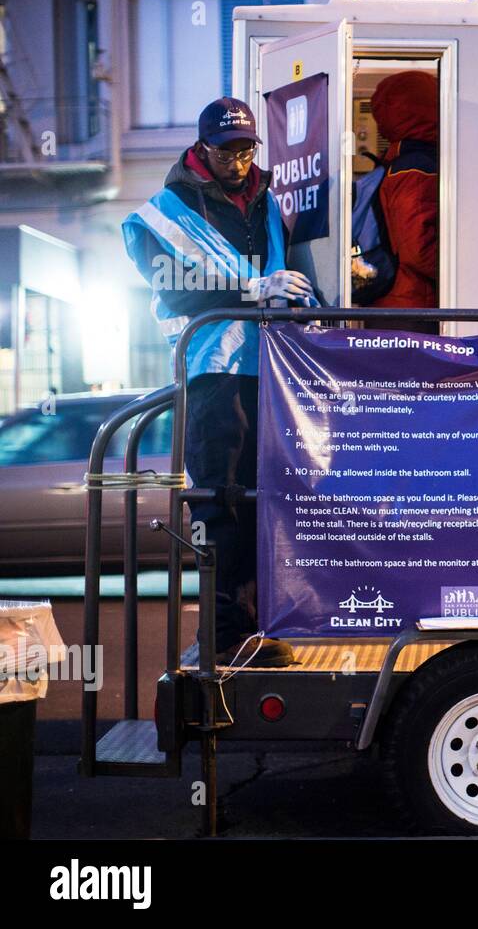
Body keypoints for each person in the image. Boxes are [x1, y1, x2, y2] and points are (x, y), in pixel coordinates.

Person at [122, 97, 317, 668]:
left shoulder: (268, 201)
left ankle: (257, 629)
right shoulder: (162, 212)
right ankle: (223, 635)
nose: (236, 160)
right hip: (213, 377)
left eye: (245, 149)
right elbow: (175, 287)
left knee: (264, 502)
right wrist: (255, 290)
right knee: (219, 504)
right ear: (202, 147)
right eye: (226, 149)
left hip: (272, 370)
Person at [365, 70, 440, 330]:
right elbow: (418, 249)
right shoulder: (417, 168)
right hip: (413, 310)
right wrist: (466, 270)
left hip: (395, 306)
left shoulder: (398, 164)